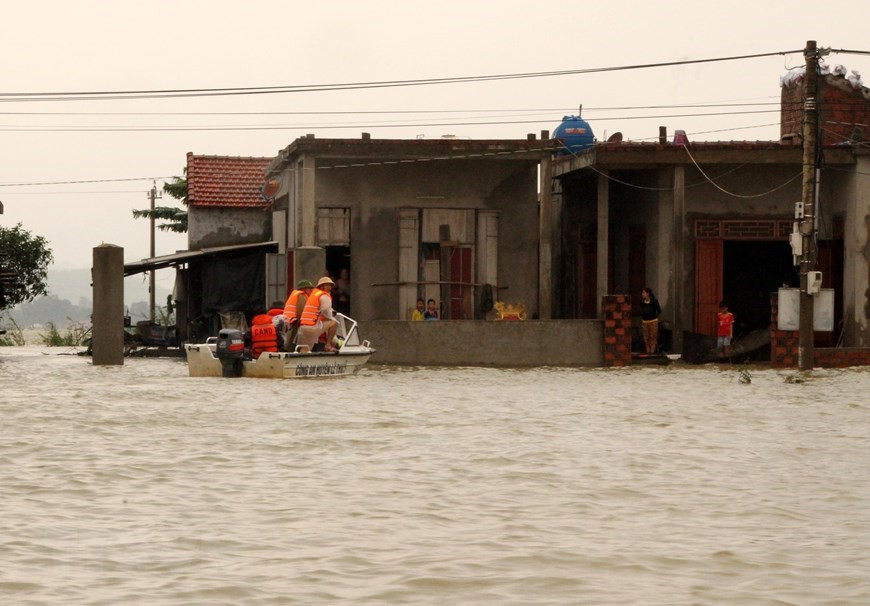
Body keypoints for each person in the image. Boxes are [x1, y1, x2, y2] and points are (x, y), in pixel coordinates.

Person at [298, 276, 339, 351]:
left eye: (330, 285)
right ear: (322, 286)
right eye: (327, 285)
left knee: (304, 351)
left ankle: (299, 361)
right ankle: (328, 345)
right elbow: (325, 310)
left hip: (303, 327)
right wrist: (330, 317)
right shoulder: (324, 295)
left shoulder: (313, 295)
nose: (329, 287)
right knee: (334, 323)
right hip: (313, 327)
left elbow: (318, 309)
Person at [282, 280, 314, 350]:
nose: (311, 290)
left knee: (288, 342)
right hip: (294, 322)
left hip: (289, 321)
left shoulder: (295, 294)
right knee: (291, 343)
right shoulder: (301, 295)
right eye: (309, 288)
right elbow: (301, 311)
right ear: (304, 289)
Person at [639, 287, 662, 353]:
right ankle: (647, 352)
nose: (642, 294)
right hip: (645, 322)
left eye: (644, 293)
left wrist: (657, 319)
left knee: (653, 337)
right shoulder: (642, 302)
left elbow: (659, 311)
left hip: (653, 321)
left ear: (648, 294)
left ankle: (652, 353)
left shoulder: (654, 301)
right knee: (646, 338)